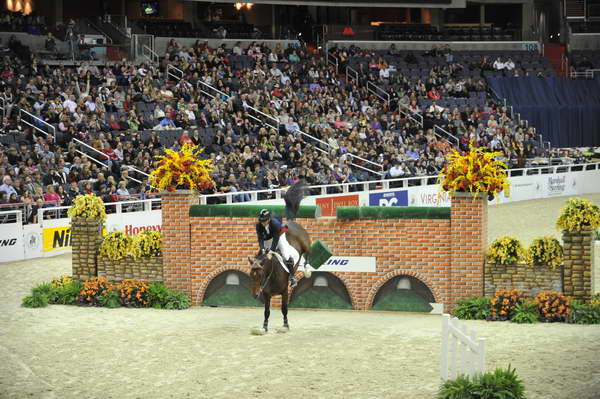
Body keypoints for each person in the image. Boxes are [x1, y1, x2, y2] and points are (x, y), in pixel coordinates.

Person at [255, 209, 297, 287]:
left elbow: (275, 239)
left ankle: (292, 277)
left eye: (264, 221)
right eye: (261, 220)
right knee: (259, 256)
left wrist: (271, 252)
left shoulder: (275, 224)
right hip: (268, 237)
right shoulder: (258, 225)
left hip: (279, 235)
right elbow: (260, 238)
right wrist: (262, 249)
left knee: (285, 254)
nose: (262, 223)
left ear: (268, 219)